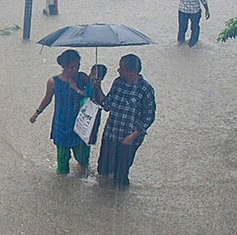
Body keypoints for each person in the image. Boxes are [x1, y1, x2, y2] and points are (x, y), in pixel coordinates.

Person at [29, 49, 104, 175]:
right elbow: (47, 99)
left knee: (83, 158)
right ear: (63, 66)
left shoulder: (82, 78)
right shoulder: (53, 82)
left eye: (78, 66)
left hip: (81, 125)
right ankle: (62, 186)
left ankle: (82, 178)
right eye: (72, 67)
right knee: (62, 160)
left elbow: (91, 94)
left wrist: (94, 82)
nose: (75, 69)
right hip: (62, 124)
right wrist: (37, 113)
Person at [96, 54, 156, 188]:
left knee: (120, 176)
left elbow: (149, 117)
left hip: (128, 140)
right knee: (102, 171)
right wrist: (98, 87)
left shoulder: (146, 89)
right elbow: (107, 105)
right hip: (110, 134)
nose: (118, 70)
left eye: (121, 68)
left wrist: (132, 136)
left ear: (131, 71)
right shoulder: (118, 82)